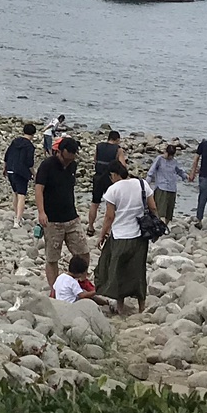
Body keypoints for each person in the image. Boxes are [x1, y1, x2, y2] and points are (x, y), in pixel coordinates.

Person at [89, 162, 155, 314]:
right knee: (138, 271)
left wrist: (102, 235)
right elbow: (153, 207)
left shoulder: (113, 190)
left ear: (114, 174)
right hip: (139, 236)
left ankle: (120, 306)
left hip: (120, 236)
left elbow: (109, 217)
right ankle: (141, 306)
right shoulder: (142, 183)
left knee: (116, 270)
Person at [35, 136, 90, 294]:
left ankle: (80, 282)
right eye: (66, 157)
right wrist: (41, 212)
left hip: (71, 217)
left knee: (83, 252)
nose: (68, 161)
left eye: (72, 157)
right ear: (59, 152)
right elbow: (39, 189)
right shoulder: (47, 165)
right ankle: (55, 290)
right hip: (52, 220)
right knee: (53, 257)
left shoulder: (72, 165)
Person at [90, 130, 128, 225]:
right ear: (117, 139)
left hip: (98, 177)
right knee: (110, 204)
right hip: (110, 178)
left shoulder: (99, 146)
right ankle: (108, 227)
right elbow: (123, 165)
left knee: (94, 203)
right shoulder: (118, 149)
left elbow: (95, 159)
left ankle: (90, 227)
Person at [5, 122, 38, 227]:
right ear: (33, 134)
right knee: (21, 196)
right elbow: (29, 163)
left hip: (10, 169)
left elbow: (7, 155)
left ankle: (16, 215)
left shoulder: (15, 142)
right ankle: (18, 220)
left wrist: (4, 168)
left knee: (15, 193)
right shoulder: (29, 146)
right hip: (21, 172)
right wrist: (34, 173)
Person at [147, 143, 186, 224]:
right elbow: (151, 171)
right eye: (169, 154)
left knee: (169, 212)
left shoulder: (174, 161)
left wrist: (185, 176)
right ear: (166, 152)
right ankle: (158, 226)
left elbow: (179, 171)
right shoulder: (159, 159)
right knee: (160, 211)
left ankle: (165, 226)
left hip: (172, 188)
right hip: (161, 188)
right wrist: (146, 184)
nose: (170, 157)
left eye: (172, 155)